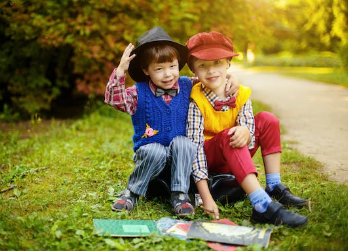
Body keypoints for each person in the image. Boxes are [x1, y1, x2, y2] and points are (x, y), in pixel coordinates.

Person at [104, 27, 239, 217]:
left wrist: (231, 77)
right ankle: (132, 192)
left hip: (181, 157)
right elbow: (114, 100)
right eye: (159, 69)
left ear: (178, 65)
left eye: (172, 67)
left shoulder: (188, 85)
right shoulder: (138, 91)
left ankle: (180, 193)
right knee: (154, 149)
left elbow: (210, 80)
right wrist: (120, 72)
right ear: (146, 71)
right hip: (152, 156)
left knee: (184, 143)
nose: (167, 74)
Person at [186, 31, 308, 227]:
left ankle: (274, 185)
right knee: (230, 135)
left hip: (235, 149)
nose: (211, 71)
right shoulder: (196, 100)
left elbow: (249, 135)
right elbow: (195, 150)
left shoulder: (241, 93)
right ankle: (262, 206)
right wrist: (205, 196)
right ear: (194, 71)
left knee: (267, 119)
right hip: (211, 157)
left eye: (217, 63)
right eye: (202, 66)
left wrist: (246, 131)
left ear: (228, 64)